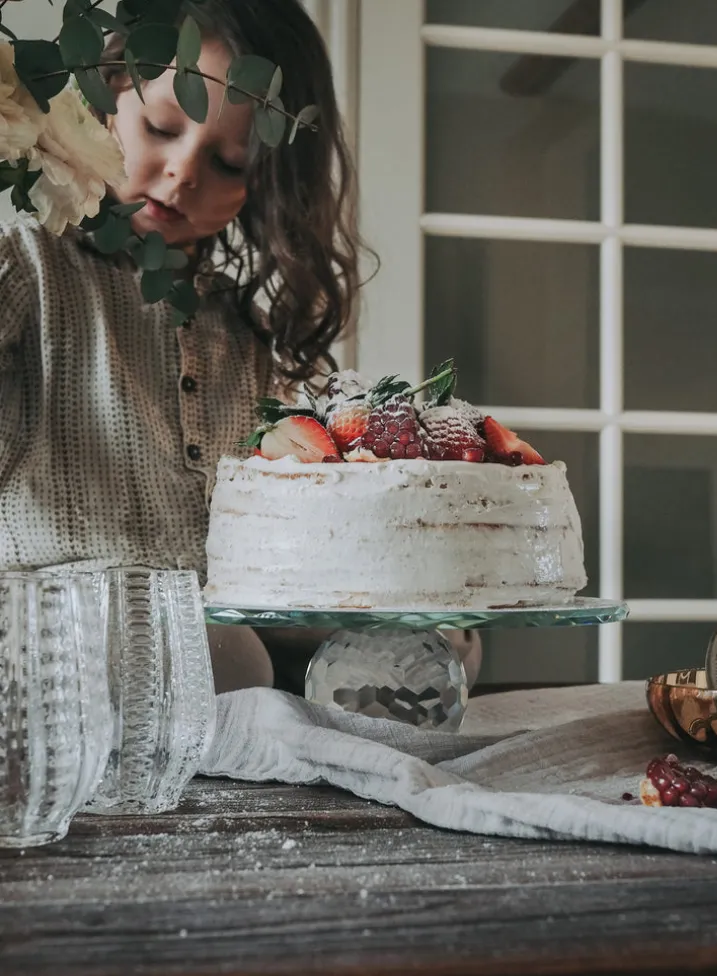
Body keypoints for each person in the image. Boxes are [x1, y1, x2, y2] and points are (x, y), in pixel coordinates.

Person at [0, 0, 481, 693]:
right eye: (161, 127)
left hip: (218, 628)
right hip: (55, 638)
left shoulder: (243, 335)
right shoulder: (30, 268)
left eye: (228, 163)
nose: (182, 173)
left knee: (436, 650)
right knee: (226, 655)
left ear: (268, 187)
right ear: (108, 101)